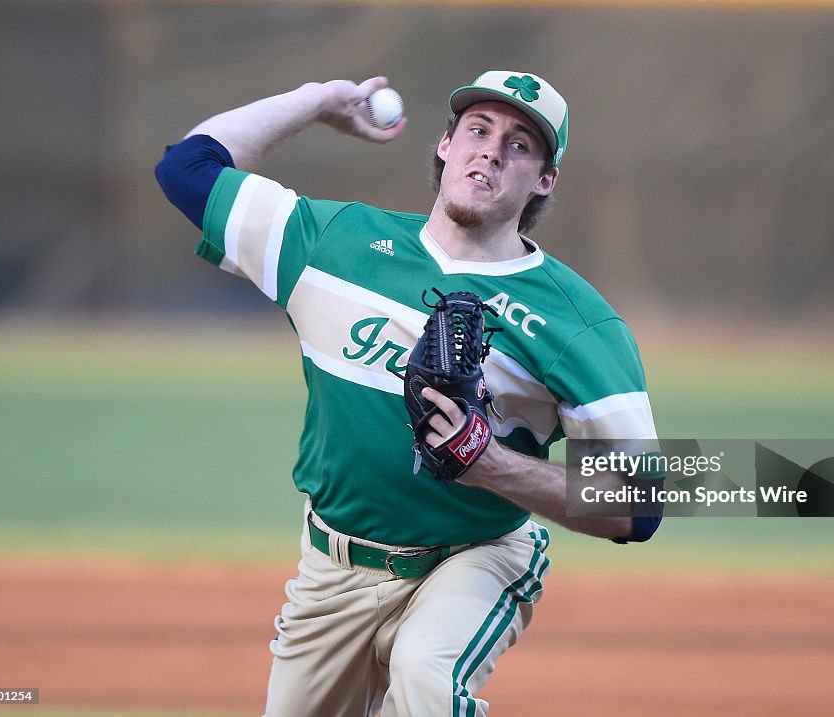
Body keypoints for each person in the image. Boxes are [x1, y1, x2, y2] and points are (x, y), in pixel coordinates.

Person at [155, 70, 663, 717]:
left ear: (544, 179)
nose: (491, 150)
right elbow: (187, 168)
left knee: (427, 680)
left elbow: (640, 506)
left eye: (520, 144)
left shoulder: (579, 325)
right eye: (478, 129)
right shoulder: (331, 244)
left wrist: (491, 464)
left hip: (474, 556)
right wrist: (313, 102)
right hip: (332, 571)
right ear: (446, 144)